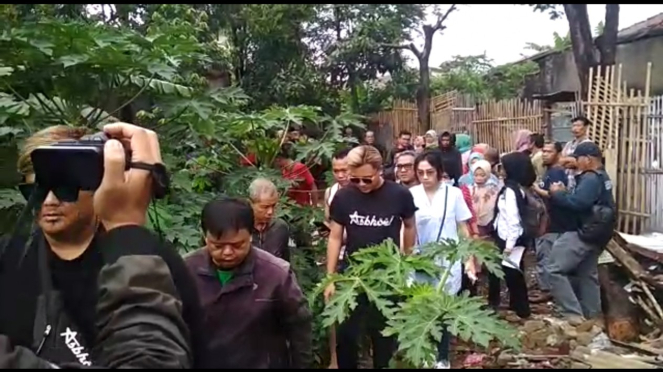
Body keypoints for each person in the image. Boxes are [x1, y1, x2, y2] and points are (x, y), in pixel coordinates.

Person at [0, 123, 204, 368]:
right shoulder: (9, 256)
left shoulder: (148, 261)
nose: (50, 201)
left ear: (99, 185)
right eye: (35, 190)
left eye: (65, 189)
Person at [185, 197, 313, 368]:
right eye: (218, 245)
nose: (228, 252)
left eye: (238, 245)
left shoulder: (276, 275)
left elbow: (299, 330)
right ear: (204, 236)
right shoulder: (185, 271)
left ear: (251, 235)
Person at [324, 145, 417, 369]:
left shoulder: (399, 195)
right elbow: (335, 237)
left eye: (367, 179)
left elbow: (410, 225)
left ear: (380, 171)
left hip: (386, 276)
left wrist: (405, 260)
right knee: (346, 335)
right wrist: (330, 277)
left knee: (384, 335)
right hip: (352, 275)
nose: (361, 185)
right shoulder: (344, 196)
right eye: (355, 180)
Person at [409, 151, 474, 369]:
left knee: (442, 308)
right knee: (421, 306)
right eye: (420, 173)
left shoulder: (453, 194)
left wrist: (469, 259)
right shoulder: (411, 194)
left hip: (447, 259)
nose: (425, 177)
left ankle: (442, 357)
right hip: (418, 258)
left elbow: (463, 228)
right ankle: (423, 353)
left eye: (430, 172)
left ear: (439, 172)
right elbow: (405, 227)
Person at [547, 142, 615, 323]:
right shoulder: (602, 176)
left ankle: (573, 314)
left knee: (553, 269)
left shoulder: (591, 178)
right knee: (587, 274)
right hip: (597, 234)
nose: (576, 162)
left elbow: (578, 203)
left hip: (583, 232)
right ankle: (593, 316)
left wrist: (558, 193)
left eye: (578, 158)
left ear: (588, 159)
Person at [487, 151, 534, 319]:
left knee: (511, 273)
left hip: (510, 239)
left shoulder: (511, 191)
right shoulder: (512, 187)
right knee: (510, 272)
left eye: (503, 166)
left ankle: (521, 309)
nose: (500, 169)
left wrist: (509, 245)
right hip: (506, 237)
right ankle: (516, 306)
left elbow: (514, 219)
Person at [323, 147, 351, 369]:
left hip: (358, 256)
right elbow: (329, 222)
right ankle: (335, 359)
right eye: (336, 170)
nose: (341, 175)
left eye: (345, 170)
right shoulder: (331, 192)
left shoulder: (362, 190)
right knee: (333, 305)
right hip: (337, 255)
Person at [531, 141, 569, 297]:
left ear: (558, 154)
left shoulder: (556, 173)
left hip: (552, 220)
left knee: (546, 255)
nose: (545, 154)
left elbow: (556, 195)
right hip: (547, 219)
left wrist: (536, 189)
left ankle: (547, 290)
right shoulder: (549, 171)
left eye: (549, 151)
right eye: (544, 151)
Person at [248, 178, 290, 261]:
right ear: (250, 203)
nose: (270, 212)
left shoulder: (280, 227)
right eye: (265, 207)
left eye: (273, 206)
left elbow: (285, 263)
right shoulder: (241, 229)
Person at [468, 160, 501, 239]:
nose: (479, 178)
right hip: (472, 224)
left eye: (482, 175)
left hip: (489, 225)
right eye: (476, 175)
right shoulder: (469, 189)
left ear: (488, 175)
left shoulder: (494, 190)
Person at [559, 116, 593, 191]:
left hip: (581, 180)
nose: (575, 128)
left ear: (586, 127)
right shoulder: (569, 144)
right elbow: (560, 160)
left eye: (578, 126)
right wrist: (570, 161)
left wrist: (571, 162)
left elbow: (579, 164)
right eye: (574, 125)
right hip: (568, 180)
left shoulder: (588, 144)